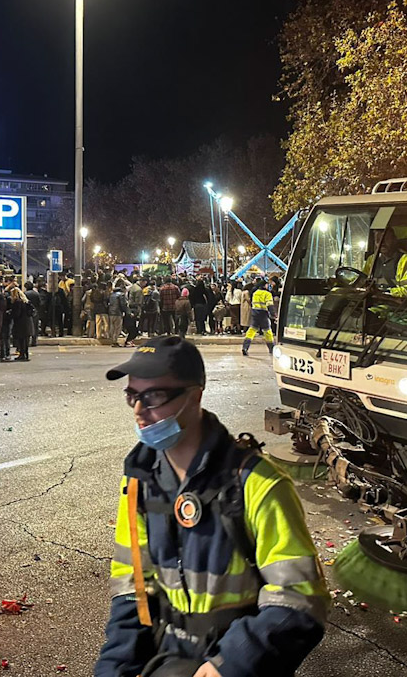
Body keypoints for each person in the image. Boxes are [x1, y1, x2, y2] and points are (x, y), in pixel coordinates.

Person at [96, 336, 328, 677]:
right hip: (170, 656)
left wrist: (230, 664)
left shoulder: (258, 483)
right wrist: (114, 668)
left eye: (154, 396)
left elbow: (300, 600)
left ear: (195, 395)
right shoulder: (138, 482)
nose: (139, 411)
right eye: (132, 395)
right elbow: (133, 591)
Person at [364, 227, 407, 299]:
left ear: (394, 240)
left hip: (393, 306)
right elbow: (362, 280)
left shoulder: (406, 260)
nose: (382, 243)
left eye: (386, 239)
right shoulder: (372, 259)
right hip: (372, 302)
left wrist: (384, 292)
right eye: (378, 240)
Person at [241, 280, 276, 356]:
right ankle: (272, 348)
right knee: (267, 331)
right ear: (264, 286)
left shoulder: (255, 293)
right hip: (263, 314)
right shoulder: (267, 294)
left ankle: (245, 347)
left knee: (251, 331)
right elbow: (269, 305)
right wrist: (274, 315)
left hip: (254, 313)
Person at [8, 286, 33, 361]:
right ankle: (26, 354)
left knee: (21, 340)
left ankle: (22, 355)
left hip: (20, 323)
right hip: (27, 322)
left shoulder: (17, 302)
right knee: (26, 340)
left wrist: (10, 313)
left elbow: (17, 314)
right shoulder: (26, 301)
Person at [108, 282, 128, 347]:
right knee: (117, 328)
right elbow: (123, 305)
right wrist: (125, 311)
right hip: (118, 313)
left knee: (112, 327)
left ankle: (112, 340)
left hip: (111, 313)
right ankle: (115, 341)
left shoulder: (111, 295)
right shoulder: (121, 295)